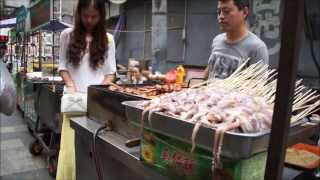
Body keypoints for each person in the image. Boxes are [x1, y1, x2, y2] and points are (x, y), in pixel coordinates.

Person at [56, 0, 116, 179]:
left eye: (94, 16)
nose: (89, 20)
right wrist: (72, 87)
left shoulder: (108, 39)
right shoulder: (67, 35)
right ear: (79, 14)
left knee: (93, 151)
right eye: (85, 16)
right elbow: (62, 66)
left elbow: (110, 73)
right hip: (73, 103)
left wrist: (98, 92)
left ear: (101, 16)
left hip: (95, 104)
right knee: (70, 150)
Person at [204, 0, 269, 80]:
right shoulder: (217, 40)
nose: (221, 16)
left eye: (226, 11)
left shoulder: (257, 48)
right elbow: (209, 72)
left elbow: (259, 89)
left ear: (244, 12)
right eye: (218, 12)